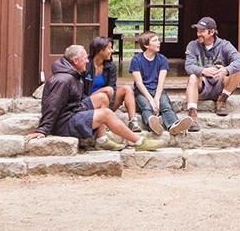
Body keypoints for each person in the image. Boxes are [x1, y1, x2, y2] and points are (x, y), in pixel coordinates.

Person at [26, 44, 163, 151]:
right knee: (106, 113)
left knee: (102, 97)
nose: (87, 60)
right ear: (75, 61)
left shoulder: (73, 74)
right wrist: (42, 130)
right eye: (85, 58)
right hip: (64, 123)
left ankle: (101, 139)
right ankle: (139, 142)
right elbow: (52, 105)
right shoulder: (63, 80)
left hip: (74, 111)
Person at [184, 16, 240, 128]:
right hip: (202, 86)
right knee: (193, 77)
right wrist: (203, 70)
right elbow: (188, 66)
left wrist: (226, 70)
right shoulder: (192, 45)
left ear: (212, 32)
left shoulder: (224, 45)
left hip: (220, 85)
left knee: (236, 72)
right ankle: (192, 116)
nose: (198, 34)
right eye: (197, 31)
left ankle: (221, 101)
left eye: (202, 31)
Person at [130, 30, 192, 136]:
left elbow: (161, 82)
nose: (159, 42)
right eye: (155, 40)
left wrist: (157, 99)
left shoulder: (162, 59)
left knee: (165, 105)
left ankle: (174, 126)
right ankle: (153, 125)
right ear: (146, 45)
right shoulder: (136, 60)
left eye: (158, 40)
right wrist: (151, 100)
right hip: (142, 91)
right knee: (146, 107)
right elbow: (139, 83)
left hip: (157, 90)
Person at [84, 37, 141, 132]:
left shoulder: (111, 66)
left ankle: (133, 122)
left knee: (127, 89)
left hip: (106, 102)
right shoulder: (86, 65)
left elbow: (112, 88)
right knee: (106, 90)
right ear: (100, 50)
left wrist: (107, 110)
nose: (112, 51)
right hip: (89, 102)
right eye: (109, 48)